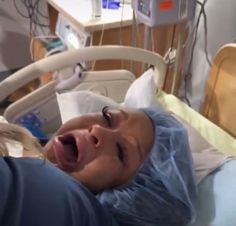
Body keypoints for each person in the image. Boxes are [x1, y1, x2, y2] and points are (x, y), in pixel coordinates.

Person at [0, 106, 197, 226]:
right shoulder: (29, 147)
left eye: (121, 151)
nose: (97, 129)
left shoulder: (66, 204)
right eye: (108, 118)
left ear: (131, 200)